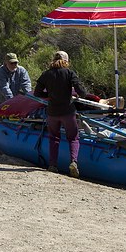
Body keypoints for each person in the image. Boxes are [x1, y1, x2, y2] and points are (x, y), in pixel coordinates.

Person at [33, 50, 89, 178]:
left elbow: (37, 93)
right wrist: (79, 94)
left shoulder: (46, 74)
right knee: (73, 137)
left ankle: (52, 165)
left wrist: (49, 95)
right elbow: (82, 92)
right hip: (68, 111)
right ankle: (73, 162)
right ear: (66, 61)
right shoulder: (69, 73)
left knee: (54, 138)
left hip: (52, 112)